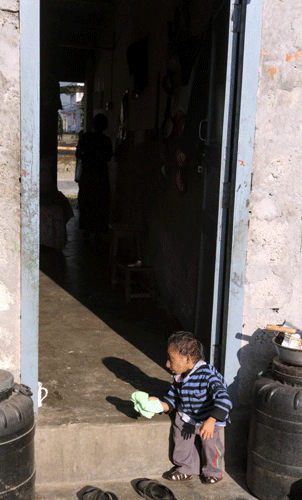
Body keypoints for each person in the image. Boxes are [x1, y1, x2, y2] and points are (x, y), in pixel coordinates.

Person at [150, 331, 232, 485]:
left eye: (171, 359)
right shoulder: (180, 376)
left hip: (209, 419)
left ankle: (214, 471)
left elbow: (224, 398)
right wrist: (159, 405)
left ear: (188, 359)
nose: (167, 364)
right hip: (189, 416)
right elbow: (173, 396)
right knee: (180, 436)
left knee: (210, 446)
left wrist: (212, 420)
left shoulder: (208, 375)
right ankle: (185, 468)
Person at [76, 114, 113, 241]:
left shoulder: (86, 137)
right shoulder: (107, 140)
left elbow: (78, 154)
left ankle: (87, 229)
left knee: (86, 200)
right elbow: (109, 157)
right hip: (101, 174)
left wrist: (88, 158)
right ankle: (98, 230)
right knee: (100, 202)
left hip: (88, 174)